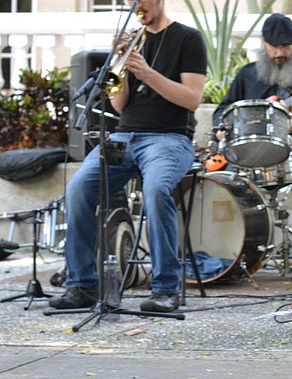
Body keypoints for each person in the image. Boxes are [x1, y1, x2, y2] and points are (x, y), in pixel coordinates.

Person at [50, 0, 207, 313]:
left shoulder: (188, 38)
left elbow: (191, 99)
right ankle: (82, 285)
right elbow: (120, 106)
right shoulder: (134, 41)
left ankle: (165, 289)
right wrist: (119, 59)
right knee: (78, 188)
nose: (139, 6)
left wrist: (147, 73)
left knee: (156, 190)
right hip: (124, 135)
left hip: (169, 138)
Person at [212, 13, 292, 278]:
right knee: (218, 185)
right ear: (264, 45)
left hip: (287, 155)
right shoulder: (246, 75)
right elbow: (223, 109)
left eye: (285, 46)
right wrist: (220, 128)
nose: (280, 52)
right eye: (274, 46)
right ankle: (226, 256)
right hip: (245, 154)